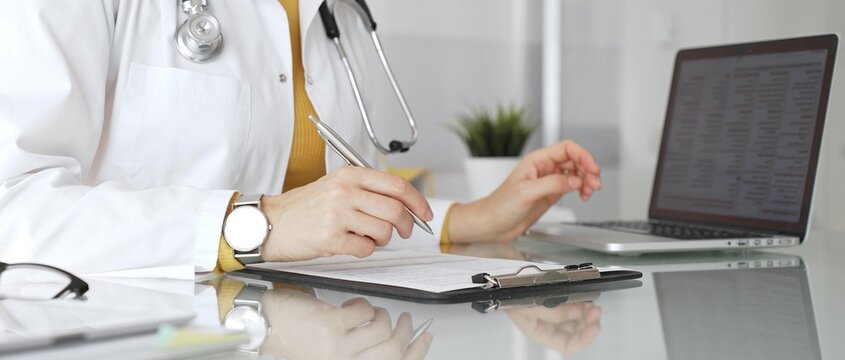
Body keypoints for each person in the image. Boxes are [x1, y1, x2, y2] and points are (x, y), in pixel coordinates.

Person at [0, 1, 601, 278]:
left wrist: (471, 218)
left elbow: (319, 206)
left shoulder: (337, 12)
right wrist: (257, 225)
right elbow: (15, 206)